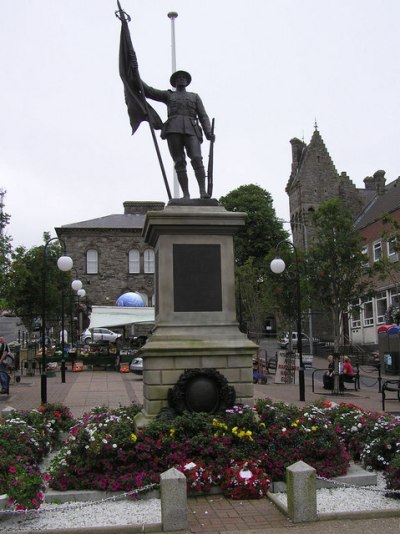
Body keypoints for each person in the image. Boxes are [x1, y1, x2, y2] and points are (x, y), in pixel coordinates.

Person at [141, 71, 215, 200]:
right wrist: (135, 74)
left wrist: (208, 132)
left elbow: (203, 115)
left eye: (183, 78)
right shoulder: (168, 95)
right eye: (178, 78)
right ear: (174, 82)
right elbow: (148, 91)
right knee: (179, 162)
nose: (181, 79)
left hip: (192, 129)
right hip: (173, 129)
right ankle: (186, 194)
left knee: (197, 158)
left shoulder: (194, 97)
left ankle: (203, 192)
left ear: (187, 81)